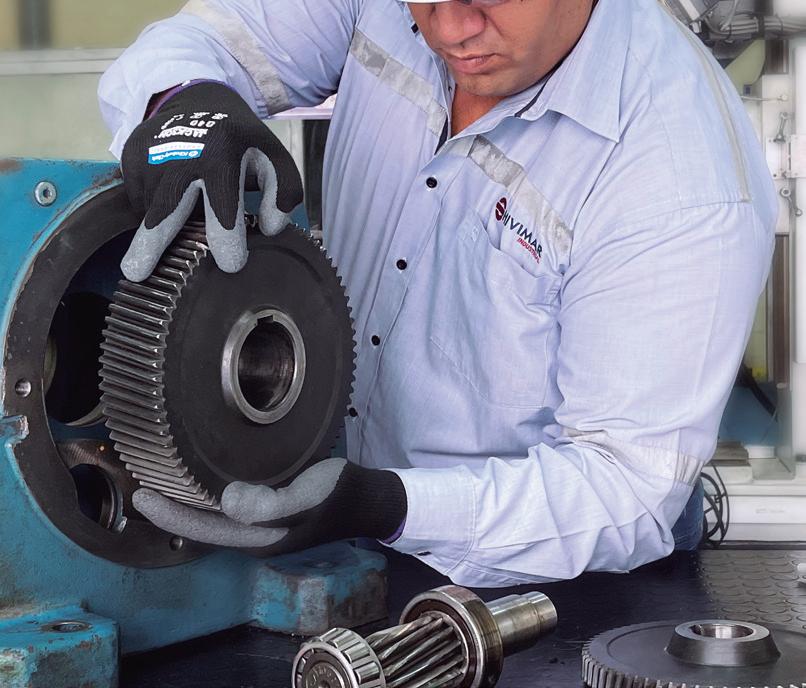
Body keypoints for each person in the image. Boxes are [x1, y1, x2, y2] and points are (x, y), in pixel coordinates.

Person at [98, 0, 776, 586]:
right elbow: (203, 39)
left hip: (549, 585)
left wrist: (385, 507)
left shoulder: (678, 173)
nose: (450, 29)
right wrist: (183, 108)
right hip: (329, 526)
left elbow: (626, 491)